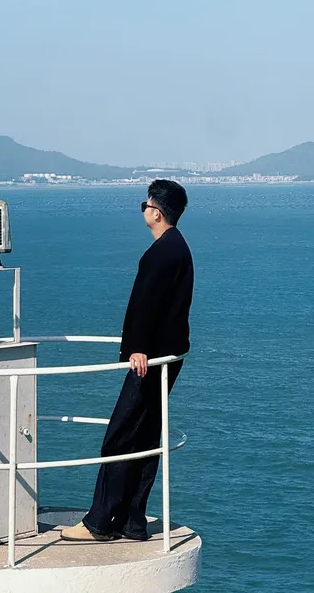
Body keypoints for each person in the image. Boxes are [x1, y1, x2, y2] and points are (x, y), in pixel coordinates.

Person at [61, 179, 194, 543]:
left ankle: (99, 522)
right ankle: (132, 521)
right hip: (166, 357)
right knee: (147, 437)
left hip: (148, 361)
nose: (143, 210)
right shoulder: (179, 249)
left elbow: (146, 305)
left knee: (119, 437)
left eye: (145, 205)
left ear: (157, 212)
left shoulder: (160, 253)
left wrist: (137, 348)